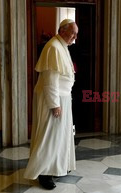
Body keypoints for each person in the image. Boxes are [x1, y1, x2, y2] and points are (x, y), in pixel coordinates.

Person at [24, 19, 78, 190]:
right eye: (72, 33)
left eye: (76, 34)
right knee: (49, 137)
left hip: (63, 97)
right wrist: (54, 104)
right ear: (62, 31)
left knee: (60, 136)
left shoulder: (62, 46)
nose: (74, 37)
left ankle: (56, 167)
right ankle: (44, 175)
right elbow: (50, 80)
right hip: (53, 99)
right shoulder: (53, 47)